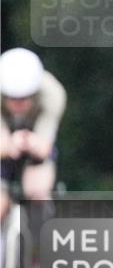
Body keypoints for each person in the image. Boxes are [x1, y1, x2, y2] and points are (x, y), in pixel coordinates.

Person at [0, 48, 66, 222]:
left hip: (36, 139)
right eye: (12, 98)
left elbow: (44, 146)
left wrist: (30, 143)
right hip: (5, 139)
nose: (18, 104)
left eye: (24, 98)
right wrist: (8, 145)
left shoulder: (52, 93)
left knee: (39, 195)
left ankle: (42, 242)